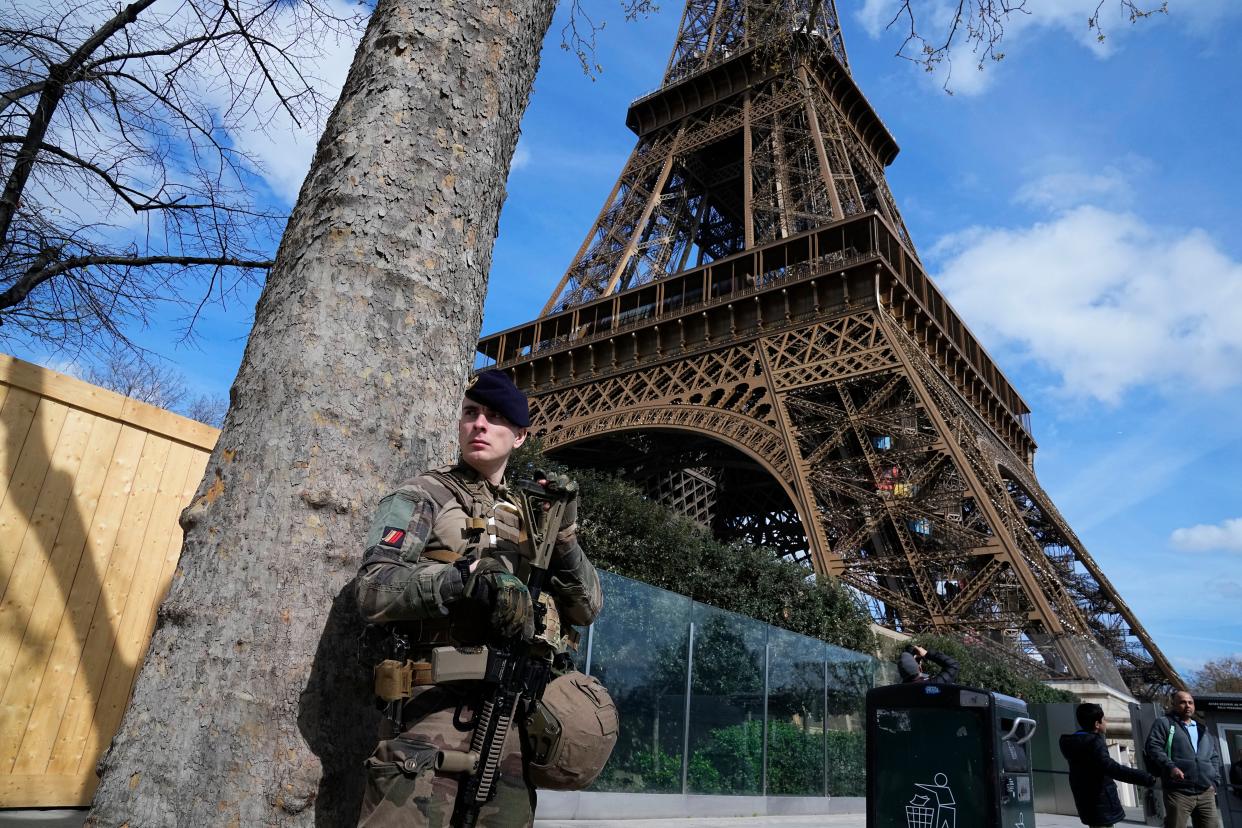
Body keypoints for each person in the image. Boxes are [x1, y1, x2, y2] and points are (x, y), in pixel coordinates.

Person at [354, 370, 603, 827]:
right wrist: (465, 579)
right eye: (471, 414)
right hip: (430, 713)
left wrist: (564, 535)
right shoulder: (423, 494)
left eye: (494, 417)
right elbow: (373, 589)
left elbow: (587, 608)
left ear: (521, 436)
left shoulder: (532, 518)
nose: (479, 425)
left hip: (512, 718)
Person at [1060, 702, 1156, 827]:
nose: (1106, 723)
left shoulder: (1070, 742)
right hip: (1101, 802)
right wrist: (1145, 777)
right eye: (1104, 719)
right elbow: (1112, 768)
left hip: (1084, 800)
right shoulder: (1094, 742)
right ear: (1097, 724)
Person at [1144, 690, 1224, 828]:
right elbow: (1153, 747)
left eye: (1190, 702)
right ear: (1173, 704)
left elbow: (1213, 756)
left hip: (1206, 792)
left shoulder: (1202, 728)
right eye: (1182, 702)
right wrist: (1171, 767)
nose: (1187, 705)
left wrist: (1215, 781)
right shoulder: (1164, 723)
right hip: (1178, 792)